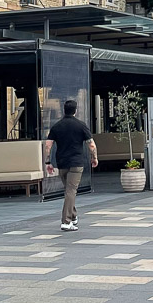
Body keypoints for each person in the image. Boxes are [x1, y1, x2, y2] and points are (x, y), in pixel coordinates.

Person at [44, 99, 98, 232]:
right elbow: (91, 144)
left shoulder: (56, 126)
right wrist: (94, 157)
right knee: (71, 191)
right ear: (76, 110)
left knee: (69, 190)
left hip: (62, 163)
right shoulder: (80, 125)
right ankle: (66, 221)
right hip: (76, 163)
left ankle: (73, 217)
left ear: (64, 110)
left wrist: (47, 162)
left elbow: (48, 145)